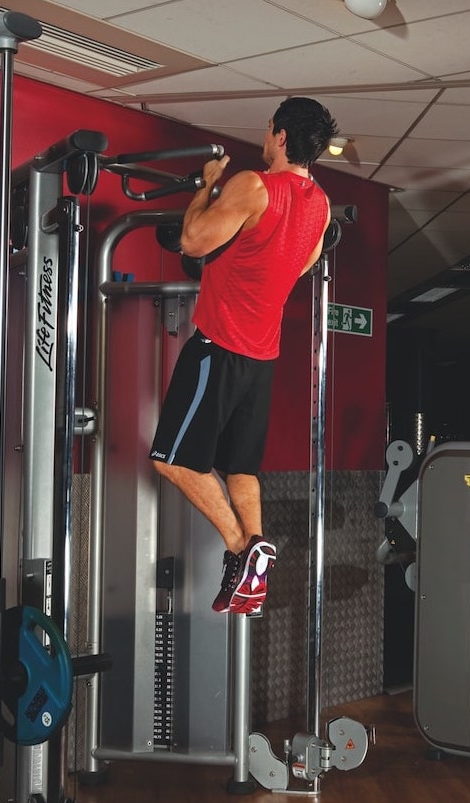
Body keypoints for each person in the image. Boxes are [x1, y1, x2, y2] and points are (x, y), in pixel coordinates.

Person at [149, 97, 338, 615]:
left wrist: (205, 185)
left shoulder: (255, 185)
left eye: (269, 127)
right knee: (240, 469)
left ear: (279, 136)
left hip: (217, 348)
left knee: (171, 462)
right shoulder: (320, 203)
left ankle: (244, 548)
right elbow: (302, 263)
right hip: (262, 358)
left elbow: (191, 240)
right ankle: (252, 577)